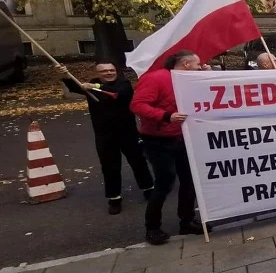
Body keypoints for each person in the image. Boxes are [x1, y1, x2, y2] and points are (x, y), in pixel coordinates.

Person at [131, 50, 208, 245]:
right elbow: (137, 105)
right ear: (185, 63)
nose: (200, 67)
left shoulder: (188, 80)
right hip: (158, 140)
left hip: (183, 137)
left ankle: (187, 221)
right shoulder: (156, 78)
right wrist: (166, 116)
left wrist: (207, 73)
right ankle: (153, 227)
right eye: (197, 64)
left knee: (189, 181)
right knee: (165, 183)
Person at [60, 62, 154, 215]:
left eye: (111, 70)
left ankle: (149, 189)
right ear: (98, 73)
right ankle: (114, 198)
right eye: (104, 71)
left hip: (128, 133)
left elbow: (117, 94)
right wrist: (64, 74)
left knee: (138, 162)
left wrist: (95, 87)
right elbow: (74, 86)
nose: (109, 73)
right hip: (104, 135)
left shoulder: (124, 84)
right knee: (110, 167)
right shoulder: (91, 84)